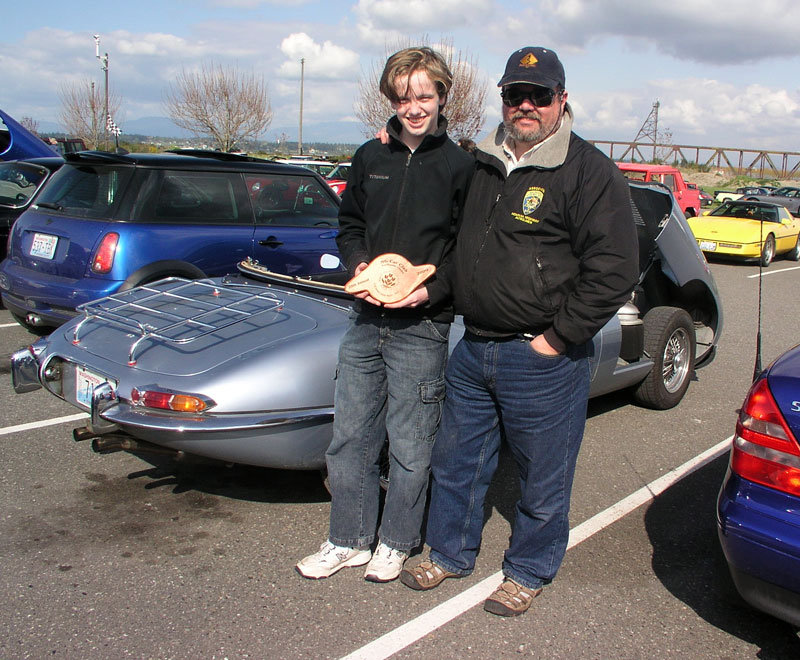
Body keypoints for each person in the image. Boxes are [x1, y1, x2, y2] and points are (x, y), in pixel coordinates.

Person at [399, 46, 639, 616]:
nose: (526, 105)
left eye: (540, 95)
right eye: (515, 94)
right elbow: (463, 254)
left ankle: (529, 569)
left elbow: (614, 270)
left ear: (561, 100)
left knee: (542, 475)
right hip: (475, 346)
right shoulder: (485, 162)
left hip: (543, 357)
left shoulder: (588, 170)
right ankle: (449, 553)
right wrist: (430, 290)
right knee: (456, 462)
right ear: (502, 99)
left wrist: (557, 339)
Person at [296, 47, 473, 583]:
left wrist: (431, 294)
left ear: (443, 96)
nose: (413, 107)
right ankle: (346, 538)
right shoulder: (369, 158)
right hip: (365, 320)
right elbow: (350, 225)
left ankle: (396, 541)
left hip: (422, 326)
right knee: (350, 437)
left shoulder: (460, 166)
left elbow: (467, 250)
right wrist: (360, 267)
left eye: (424, 95)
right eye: (403, 97)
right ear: (389, 99)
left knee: (412, 442)